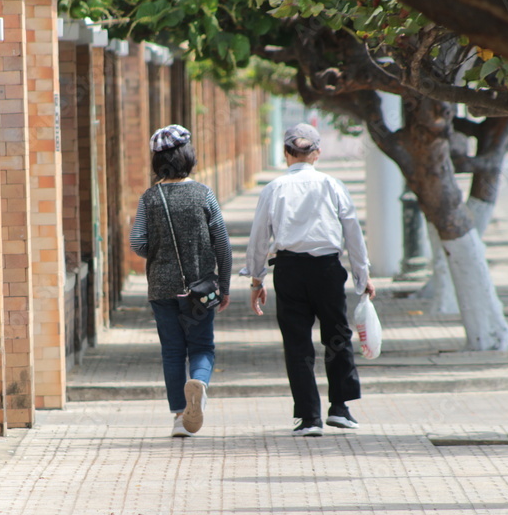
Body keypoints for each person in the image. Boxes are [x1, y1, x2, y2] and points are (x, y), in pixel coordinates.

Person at [244, 123, 376, 437]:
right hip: (327, 270)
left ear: (287, 153)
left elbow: (259, 237)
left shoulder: (274, 188)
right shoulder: (333, 185)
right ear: (317, 153)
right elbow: (353, 235)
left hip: (288, 271)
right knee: (337, 336)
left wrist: (256, 279)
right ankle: (340, 408)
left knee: (297, 341)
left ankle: (308, 417)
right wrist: (363, 276)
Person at [130, 124, 232, 437]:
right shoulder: (204, 194)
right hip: (200, 289)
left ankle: (178, 416)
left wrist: (158, 255)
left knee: (172, 351)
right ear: (188, 155)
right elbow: (222, 244)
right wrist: (224, 286)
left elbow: (137, 242)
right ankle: (198, 383)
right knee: (202, 345)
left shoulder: (150, 198)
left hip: (162, 288)